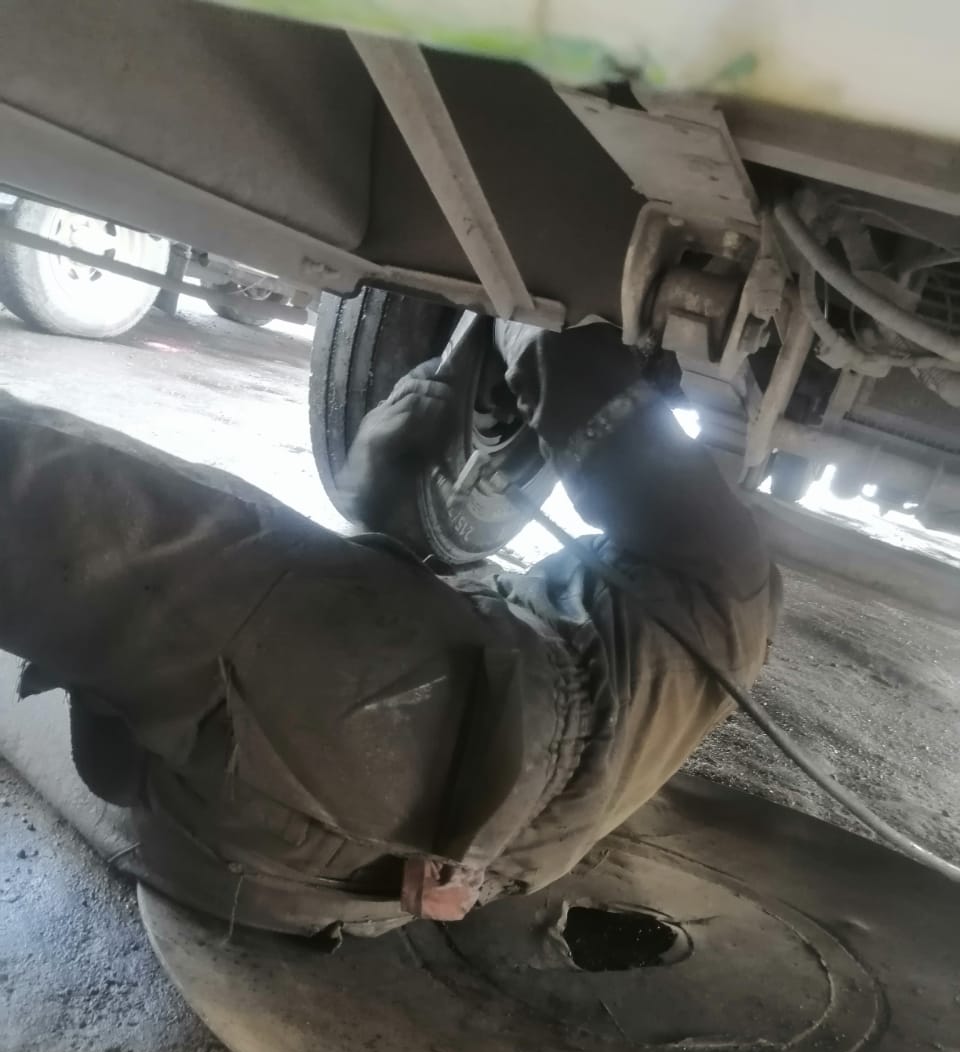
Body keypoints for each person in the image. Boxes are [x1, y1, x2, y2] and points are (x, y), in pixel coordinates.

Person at [0, 321, 779, 938]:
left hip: (416, 752)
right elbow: (400, 553)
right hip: (285, 881)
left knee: (57, 499)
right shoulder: (633, 661)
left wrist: (512, 306)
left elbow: (568, 358)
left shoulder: (731, 579)